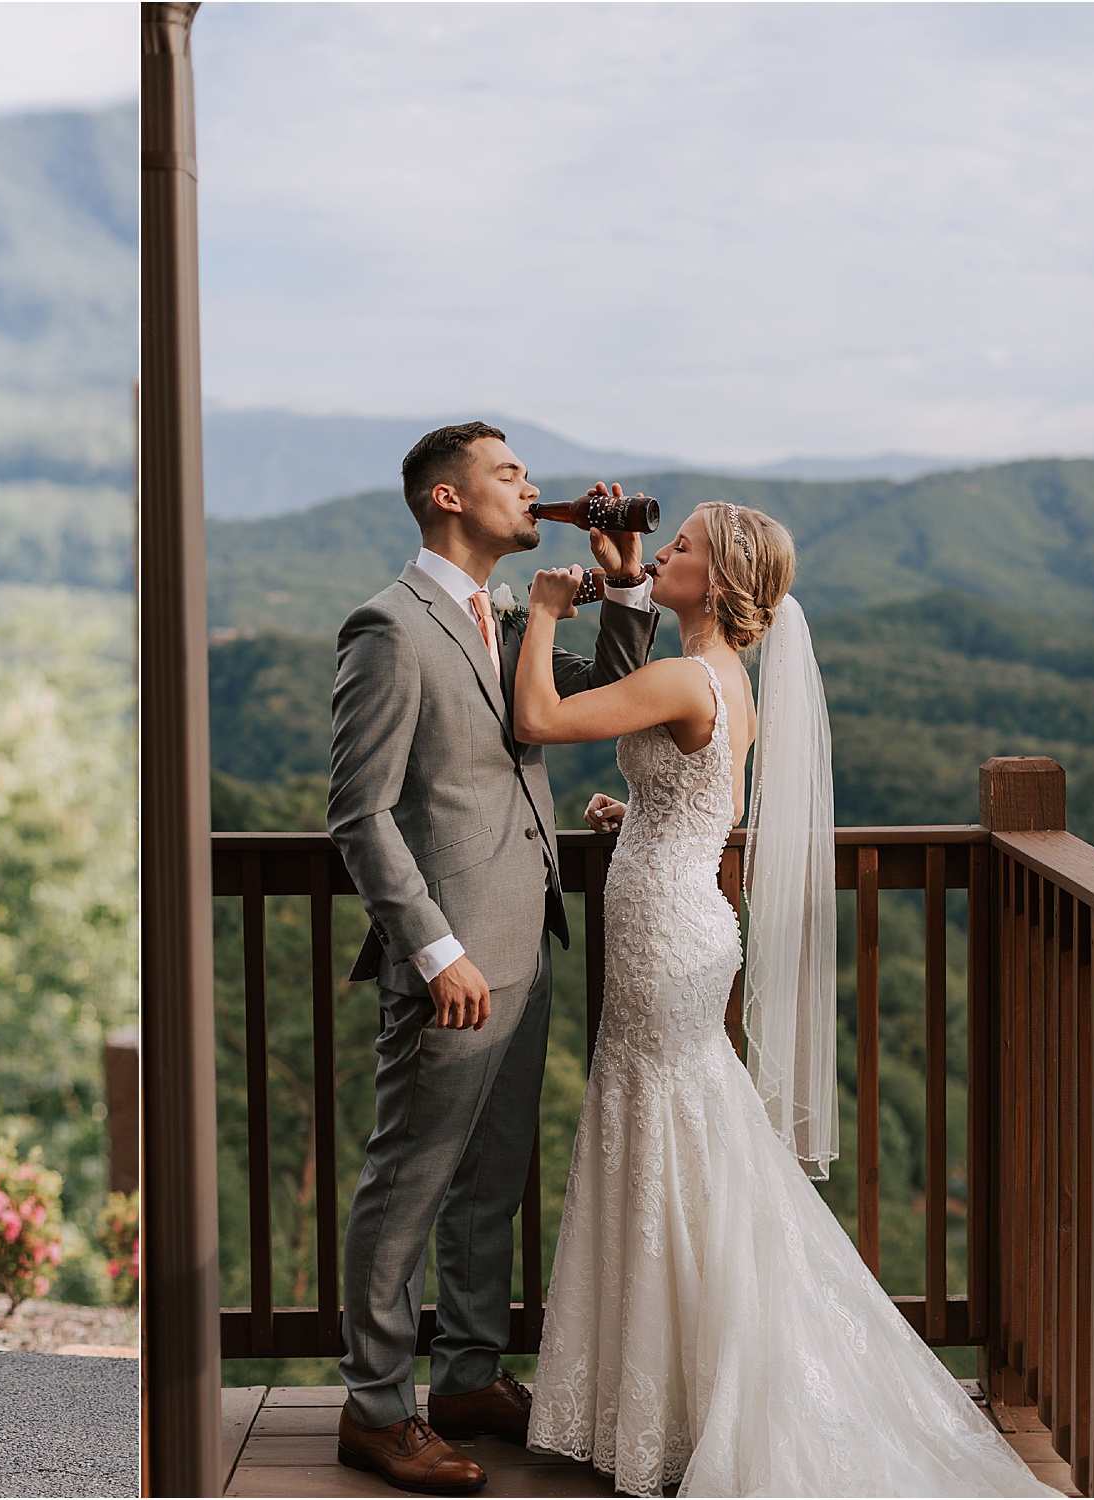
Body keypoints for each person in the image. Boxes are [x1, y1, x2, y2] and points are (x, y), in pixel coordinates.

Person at [514, 503, 1057, 1496]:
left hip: (667, 936)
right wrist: (627, 810)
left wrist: (546, 610)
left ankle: (694, 1390)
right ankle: (677, 1387)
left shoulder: (684, 675)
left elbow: (538, 720)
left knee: (671, 1136)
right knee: (683, 1140)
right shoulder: (722, 681)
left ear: (715, 583)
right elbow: (699, 804)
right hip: (682, 924)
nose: (659, 554)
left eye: (676, 548)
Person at [326, 421, 658, 1495]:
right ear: (445, 501)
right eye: (507, 473)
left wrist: (621, 587)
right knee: (406, 1181)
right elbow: (359, 815)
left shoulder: (504, 613)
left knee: (489, 1175)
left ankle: (467, 1375)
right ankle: (376, 1409)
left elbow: (594, 705)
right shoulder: (388, 626)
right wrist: (431, 950)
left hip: (530, 933)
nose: (532, 488)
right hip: (455, 958)